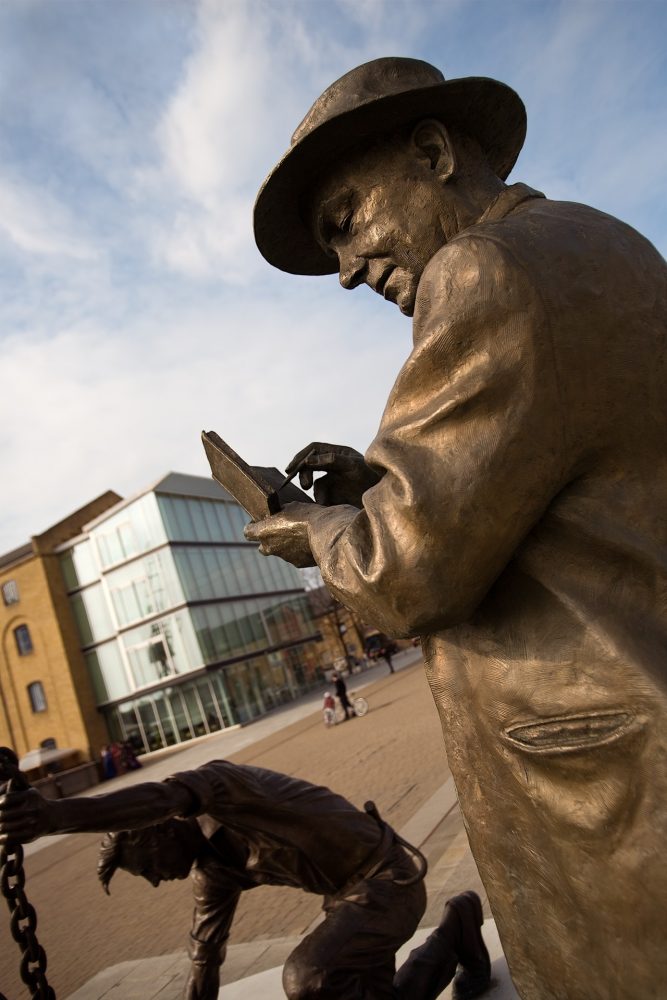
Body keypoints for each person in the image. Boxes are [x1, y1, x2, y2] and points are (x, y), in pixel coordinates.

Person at [246, 57, 667, 998]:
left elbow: (404, 578)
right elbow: (583, 482)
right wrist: (376, 481)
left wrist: (316, 528)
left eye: (345, 221)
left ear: (433, 152)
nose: (347, 273)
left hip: (609, 789)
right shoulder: (606, 241)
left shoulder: (481, 271)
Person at [0, 758, 490, 1000]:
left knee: (309, 977)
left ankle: (454, 931)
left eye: (146, 869)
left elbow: (163, 796)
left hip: (387, 878)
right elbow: (204, 956)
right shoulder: (211, 872)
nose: (154, 882)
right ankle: (455, 931)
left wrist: (54, 817)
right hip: (347, 903)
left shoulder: (221, 787)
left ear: (156, 833)